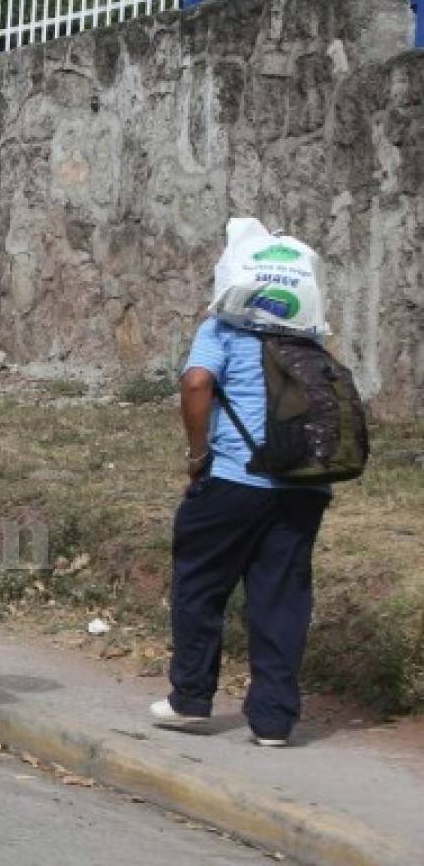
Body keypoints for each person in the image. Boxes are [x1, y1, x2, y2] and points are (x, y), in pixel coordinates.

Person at [150, 316, 330, 747]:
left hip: (233, 478)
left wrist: (197, 455)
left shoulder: (223, 328)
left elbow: (196, 383)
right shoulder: (310, 335)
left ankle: (190, 700)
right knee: (282, 598)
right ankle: (273, 720)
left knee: (200, 584)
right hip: (304, 486)